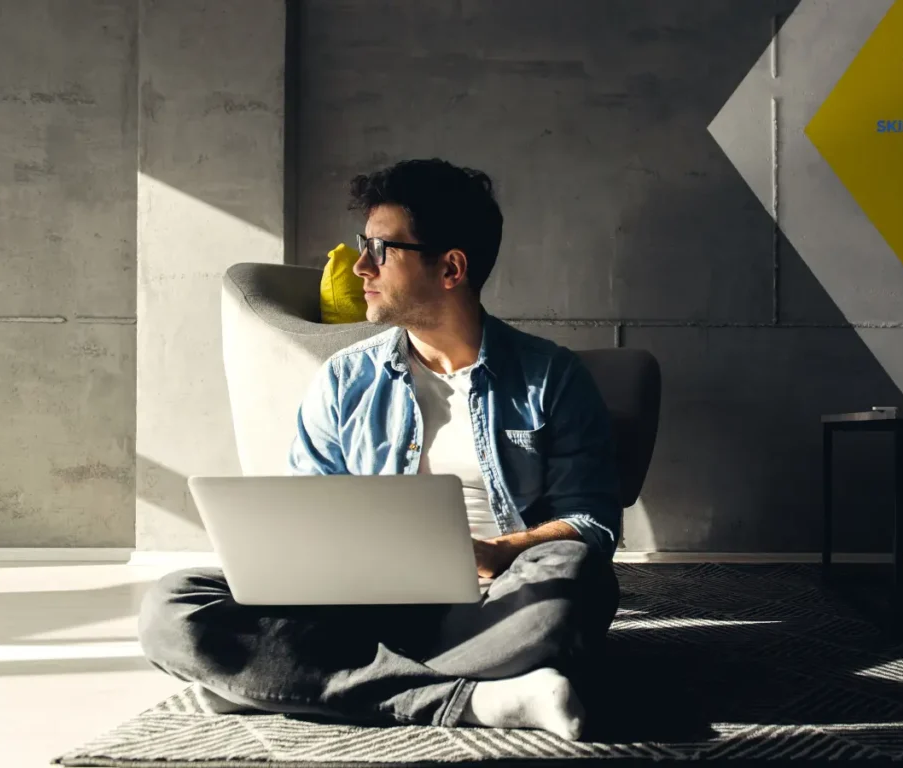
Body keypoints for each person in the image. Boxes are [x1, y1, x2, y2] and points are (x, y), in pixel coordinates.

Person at [138, 159, 622, 741]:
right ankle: (476, 700)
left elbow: (592, 521)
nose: (361, 266)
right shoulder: (345, 380)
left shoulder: (551, 377)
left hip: (494, 604)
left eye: (381, 249)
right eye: (362, 246)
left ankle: (287, 682)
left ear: (450, 266)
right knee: (174, 607)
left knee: (574, 583)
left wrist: (500, 550)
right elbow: (307, 516)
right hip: (360, 606)